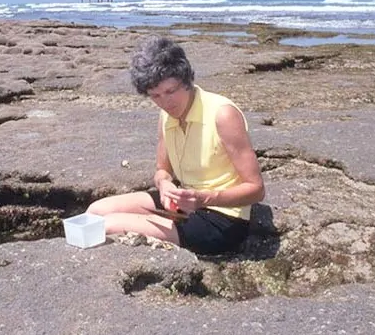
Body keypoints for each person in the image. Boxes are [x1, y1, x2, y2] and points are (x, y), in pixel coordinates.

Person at [87, 36, 265, 255]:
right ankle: (157, 225)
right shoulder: (166, 116)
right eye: (155, 96)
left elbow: (256, 190)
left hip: (223, 218)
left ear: (187, 79)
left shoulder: (223, 115)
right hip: (182, 203)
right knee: (95, 212)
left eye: (171, 91)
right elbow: (162, 170)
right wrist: (164, 185)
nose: (165, 102)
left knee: (107, 225)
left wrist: (203, 199)